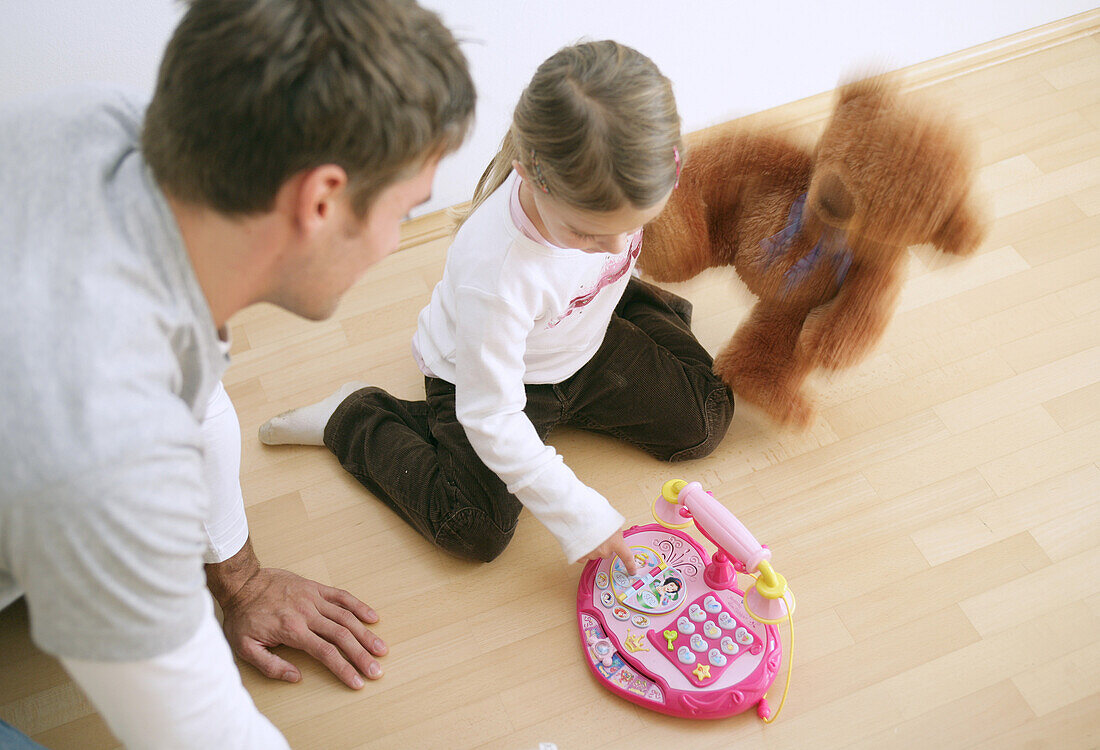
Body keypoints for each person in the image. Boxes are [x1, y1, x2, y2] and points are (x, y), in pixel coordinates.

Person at [0, 0, 474, 747]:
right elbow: (200, 732)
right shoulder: (100, 450)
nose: (397, 240)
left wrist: (241, 578)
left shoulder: (97, 123)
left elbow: (197, 392)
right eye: (407, 208)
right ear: (320, 199)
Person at [259, 41, 734, 577]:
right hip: (484, 384)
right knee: (471, 529)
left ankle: (637, 307)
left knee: (708, 419)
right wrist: (581, 514)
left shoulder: (613, 192)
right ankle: (353, 417)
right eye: (588, 232)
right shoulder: (498, 275)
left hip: (582, 339)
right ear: (530, 178)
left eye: (634, 223)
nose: (617, 245)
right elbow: (493, 414)